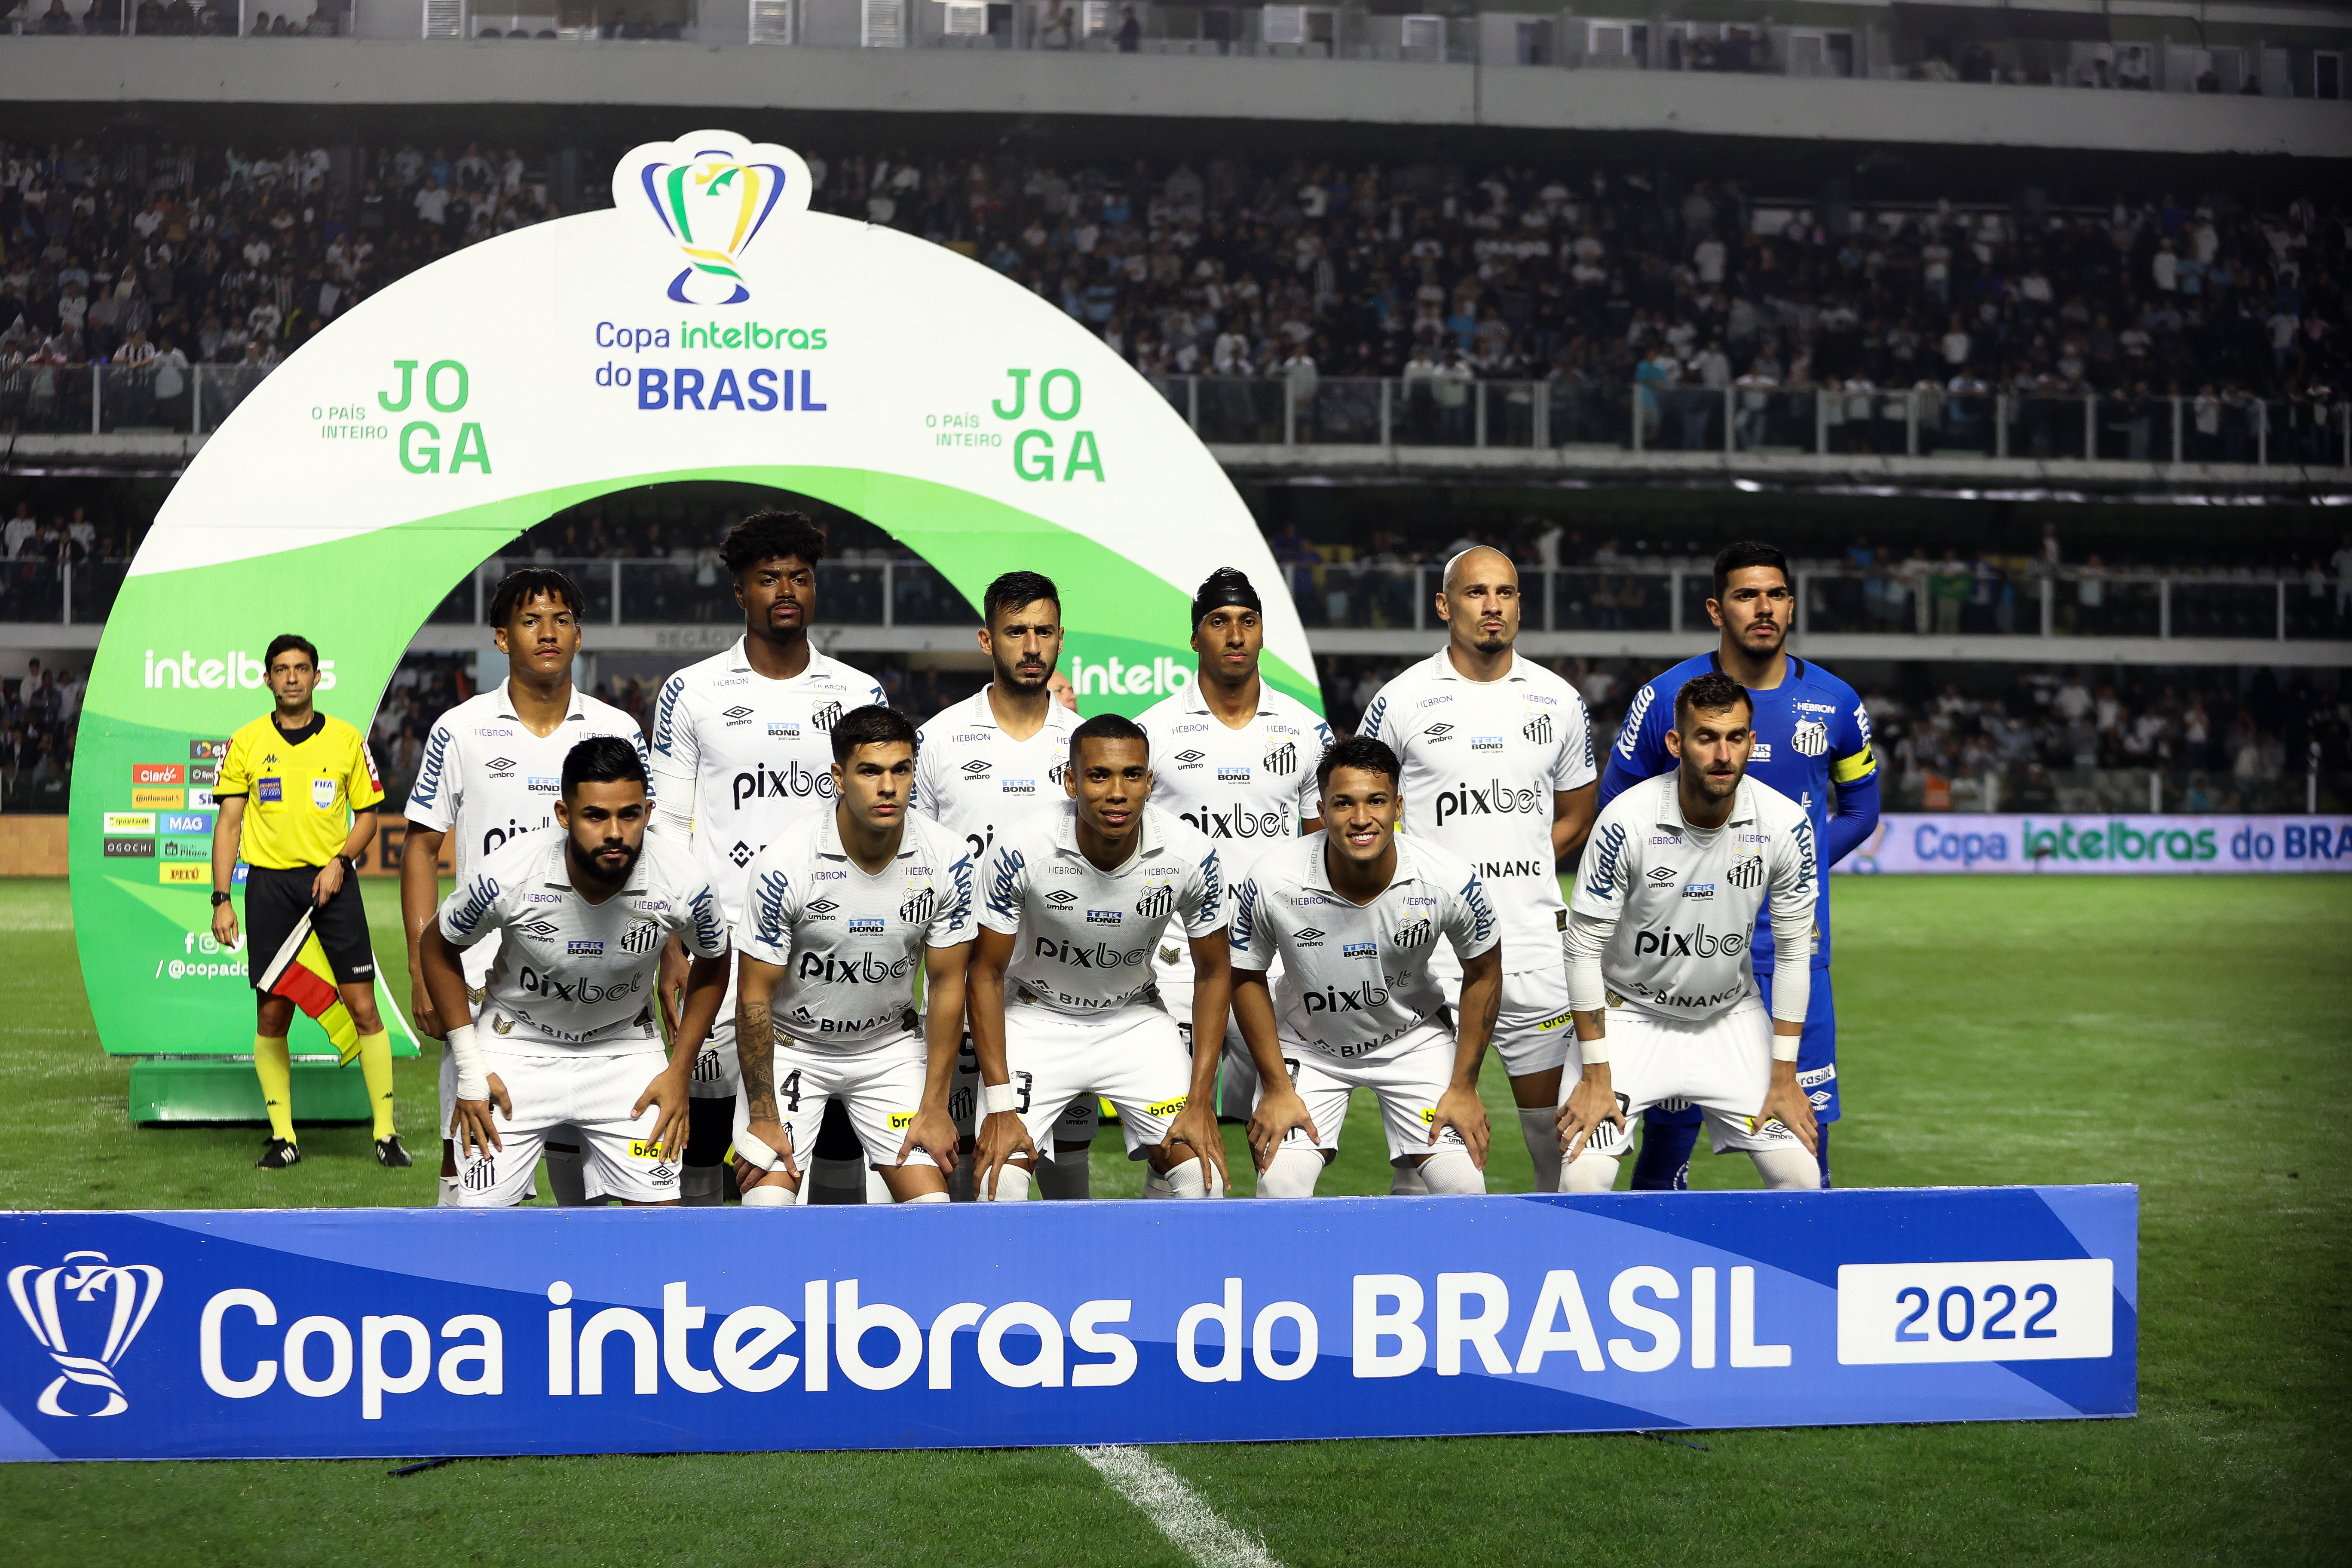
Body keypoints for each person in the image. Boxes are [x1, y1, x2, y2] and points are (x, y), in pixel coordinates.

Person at [1600, 541, 1879, 1190]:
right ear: (1715, 608)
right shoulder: (1666, 696)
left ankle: (1809, 1283)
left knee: (1806, 1144)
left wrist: (1786, 873)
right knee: (1669, 1145)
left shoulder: (1835, 703)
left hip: (1791, 953)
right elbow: (1616, 813)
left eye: (1777, 594)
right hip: (1679, 952)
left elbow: (1861, 811)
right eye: (1746, 595)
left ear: (1791, 605)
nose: (1764, 608)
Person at [648, 510, 889, 1204]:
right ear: (740, 593)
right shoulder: (690, 691)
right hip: (722, 942)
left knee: (838, 1125)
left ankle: (833, 1281)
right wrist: (672, 944)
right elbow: (663, 828)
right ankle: (705, 1278)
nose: (785, 589)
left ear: (814, 590)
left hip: (835, 942)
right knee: (707, 1123)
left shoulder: (855, 692)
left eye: (800, 577)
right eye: (768, 578)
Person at [401, 567, 649, 1208]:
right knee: (471, 1180)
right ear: (500, 638)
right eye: (531, 620)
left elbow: (653, 853)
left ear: (579, 634)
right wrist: (421, 964)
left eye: (562, 619)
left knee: (592, 1191)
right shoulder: (460, 729)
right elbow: (422, 847)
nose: (548, 633)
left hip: (597, 987)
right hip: (484, 992)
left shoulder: (618, 731)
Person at [1358, 545, 1597, 1194]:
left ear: (1520, 603)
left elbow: (1578, 810)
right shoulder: (1400, 701)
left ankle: (1557, 1266)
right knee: (1429, 1151)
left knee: (1559, 1143)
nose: (1492, 606)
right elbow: (1358, 806)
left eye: (1506, 593)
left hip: (1534, 950)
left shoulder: (1560, 701)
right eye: (1475, 593)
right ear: (1444, 605)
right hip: (1430, 957)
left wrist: (1520, 864)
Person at [420, 738, 731, 1208]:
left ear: (648, 812)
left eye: (629, 815)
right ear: (564, 815)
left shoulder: (685, 882)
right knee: (477, 1227)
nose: (614, 832)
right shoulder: (508, 874)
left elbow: (717, 958)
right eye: (595, 816)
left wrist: (679, 1069)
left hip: (624, 1050)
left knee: (661, 1229)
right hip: (514, 1046)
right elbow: (437, 944)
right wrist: (469, 1068)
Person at [1557, 673, 1821, 1194]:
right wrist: (1595, 1075)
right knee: (1584, 1177)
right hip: (1627, 1015)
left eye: (1736, 737)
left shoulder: (1786, 825)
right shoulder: (1625, 822)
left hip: (1729, 1018)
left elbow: (1792, 954)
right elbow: (1582, 948)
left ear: (1751, 740)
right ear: (1677, 743)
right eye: (1707, 737)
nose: (1724, 754)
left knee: (1801, 1179)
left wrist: (1785, 1077)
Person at [967, 715, 1231, 1201]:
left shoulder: (1191, 853)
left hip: (1133, 1019)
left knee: (1202, 1181)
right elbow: (984, 973)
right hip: (1035, 1017)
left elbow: (1216, 972)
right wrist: (1001, 1107)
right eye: (1098, 775)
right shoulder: (1021, 848)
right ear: (1070, 780)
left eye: (1132, 775)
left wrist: (1200, 1100)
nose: (1117, 792)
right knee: (997, 1182)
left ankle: (1160, 1261)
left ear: (1150, 782)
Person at [730, 706, 974, 1206]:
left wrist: (935, 1105)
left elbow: (948, 985)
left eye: (901, 770)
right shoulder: (786, 864)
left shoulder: (947, 858)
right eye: (870, 771)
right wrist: (763, 1114)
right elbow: (754, 994)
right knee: (766, 1210)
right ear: (838, 777)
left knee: (933, 1210)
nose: (888, 787)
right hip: (793, 1047)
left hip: (889, 1050)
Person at [1238, 735, 1501, 1198]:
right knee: (1280, 1186)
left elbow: (1485, 972)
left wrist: (1464, 1085)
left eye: (1376, 801)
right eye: (1343, 804)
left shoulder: (1448, 879)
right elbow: (1245, 975)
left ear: (1398, 806)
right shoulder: (1272, 879)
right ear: (1321, 809)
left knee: (1464, 1190)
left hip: (1411, 1040)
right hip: (1309, 1045)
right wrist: (1277, 1086)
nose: (1361, 819)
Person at [910, 570, 1087, 1200]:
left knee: (1067, 1163)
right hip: (960, 983)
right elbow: (918, 866)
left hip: (1056, 992)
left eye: (1044, 632)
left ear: (1062, 639)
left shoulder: (1085, 747)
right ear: (988, 640)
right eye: (1017, 632)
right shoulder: (938, 741)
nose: (1032, 646)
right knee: (963, 1157)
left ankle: (1076, 1289)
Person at [1135, 567, 1330, 1138]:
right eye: (1219, 623)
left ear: (1264, 633)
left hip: (1272, 964)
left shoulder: (1306, 731)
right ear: (1196, 638)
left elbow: (1324, 849)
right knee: (1174, 1142)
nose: (1236, 636)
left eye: (1248, 622)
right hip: (1175, 958)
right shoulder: (1154, 733)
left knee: (1280, 1136)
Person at [208, 634, 402, 1170]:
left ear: (318, 677)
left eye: (301, 669)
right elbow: (228, 825)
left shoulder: (346, 740)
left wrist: (341, 861)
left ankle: (385, 1134)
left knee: (364, 1007)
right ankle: (284, 1137)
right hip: (270, 891)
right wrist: (221, 897)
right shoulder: (245, 742)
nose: (291, 677)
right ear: (267, 679)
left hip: (333, 885)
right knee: (272, 1015)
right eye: (281, 669)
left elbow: (368, 817)